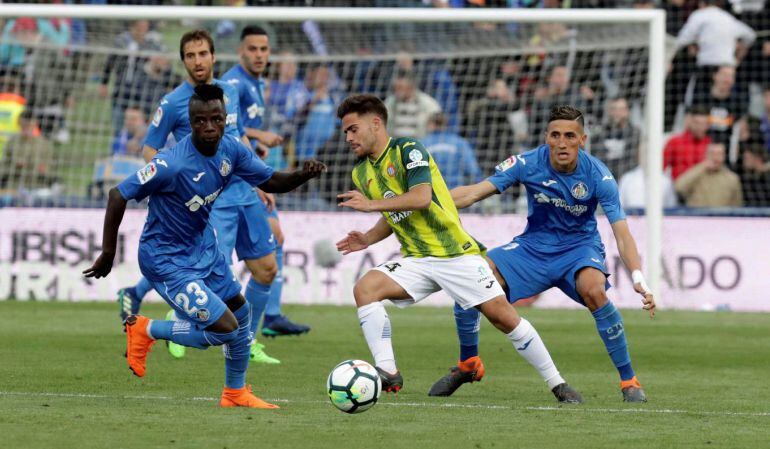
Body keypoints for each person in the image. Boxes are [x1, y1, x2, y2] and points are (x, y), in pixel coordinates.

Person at [83, 84, 325, 409]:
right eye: (200, 121)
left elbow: (269, 181)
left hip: (203, 249)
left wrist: (302, 175)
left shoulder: (232, 150)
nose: (209, 127)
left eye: (216, 119)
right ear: (191, 120)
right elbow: (118, 194)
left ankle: (234, 393)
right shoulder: (172, 164)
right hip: (166, 260)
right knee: (226, 328)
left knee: (241, 315)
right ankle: (146, 329)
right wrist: (108, 252)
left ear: (226, 119)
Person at [334, 94, 582, 404]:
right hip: (418, 259)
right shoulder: (361, 171)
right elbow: (396, 212)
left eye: (353, 129)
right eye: (345, 132)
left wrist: (371, 205)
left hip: (456, 255)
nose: (348, 137)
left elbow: (421, 197)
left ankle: (557, 383)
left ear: (376, 123)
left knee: (504, 318)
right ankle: (387, 372)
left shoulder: (409, 150)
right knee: (365, 289)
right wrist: (369, 238)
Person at [436, 105, 655, 403]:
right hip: (532, 249)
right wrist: (428, 202)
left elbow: (622, 233)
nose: (562, 143)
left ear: (583, 140)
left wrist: (638, 276)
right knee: (472, 277)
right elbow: (475, 191)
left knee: (594, 290)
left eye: (569, 136)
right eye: (555, 135)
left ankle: (629, 380)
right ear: (546, 138)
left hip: (579, 249)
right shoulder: (527, 162)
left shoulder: (599, 176)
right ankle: (468, 364)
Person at [115, 29, 278, 363]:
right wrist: (172, 185)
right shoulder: (173, 102)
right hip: (208, 202)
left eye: (202, 53)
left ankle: (247, 341)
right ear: (183, 60)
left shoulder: (228, 91)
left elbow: (238, 136)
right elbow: (150, 149)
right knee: (206, 274)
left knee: (267, 268)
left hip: (243, 192)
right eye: (190, 55)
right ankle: (178, 322)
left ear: (214, 56)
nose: (198, 61)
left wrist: (259, 180)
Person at [220, 26, 310, 348]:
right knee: (216, 262)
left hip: (250, 171)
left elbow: (242, 129)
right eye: (253, 49)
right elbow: (229, 134)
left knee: (273, 245)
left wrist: (259, 139)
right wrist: (257, 176)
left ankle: (266, 320)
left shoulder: (258, 83)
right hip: (236, 180)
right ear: (241, 51)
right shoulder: (232, 84)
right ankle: (178, 321)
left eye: (264, 49)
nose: (259, 55)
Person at [420, 112, 481, 189]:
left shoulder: (422, 144)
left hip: (433, 192)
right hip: (456, 190)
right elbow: (472, 169)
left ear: (431, 124)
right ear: (446, 124)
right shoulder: (460, 142)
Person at [675, 142, 743, 207]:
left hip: (721, 217)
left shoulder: (732, 179)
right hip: (696, 217)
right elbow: (679, 187)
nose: (715, 158)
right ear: (706, 155)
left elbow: (737, 205)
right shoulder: (696, 173)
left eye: (719, 154)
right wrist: (702, 167)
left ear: (724, 156)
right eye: (712, 153)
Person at [663, 106, 712, 180]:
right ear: (689, 121)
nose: (699, 127)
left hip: (705, 187)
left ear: (708, 125)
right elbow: (661, 166)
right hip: (679, 187)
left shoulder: (710, 144)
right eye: (696, 123)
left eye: (703, 124)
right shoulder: (674, 142)